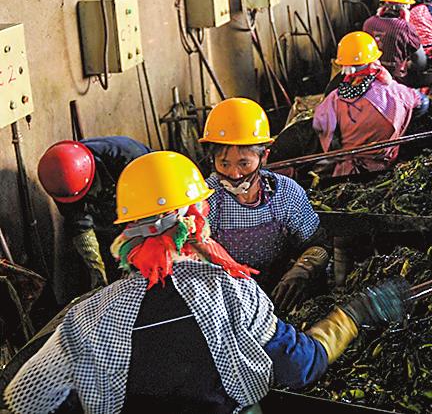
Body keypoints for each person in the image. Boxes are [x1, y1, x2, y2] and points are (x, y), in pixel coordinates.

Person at [4, 150, 410, 413]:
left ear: (127, 234)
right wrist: (354, 314)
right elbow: (299, 366)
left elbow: (25, 400)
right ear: (197, 220)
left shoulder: (88, 317)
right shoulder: (232, 293)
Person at [201, 97, 328, 312]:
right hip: (225, 304)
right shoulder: (205, 199)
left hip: (279, 298)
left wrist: (305, 268)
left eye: (244, 163)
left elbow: (319, 246)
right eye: (224, 164)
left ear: (264, 157)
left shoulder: (287, 193)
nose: (234, 174)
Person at [36, 137, 151, 291]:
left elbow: (150, 204)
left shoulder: (128, 156)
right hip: (110, 205)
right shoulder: (60, 181)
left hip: (149, 197)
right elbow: (79, 224)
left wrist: (134, 246)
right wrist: (96, 271)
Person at [312, 32, 428, 176]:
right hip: (384, 167)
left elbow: (319, 125)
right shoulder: (395, 92)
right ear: (374, 60)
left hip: (346, 172)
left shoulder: (334, 98)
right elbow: (423, 103)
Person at [362, 0, 428, 79]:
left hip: (370, 77)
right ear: (405, 8)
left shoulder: (368, 24)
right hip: (395, 80)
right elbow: (421, 63)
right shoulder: (406, 28)